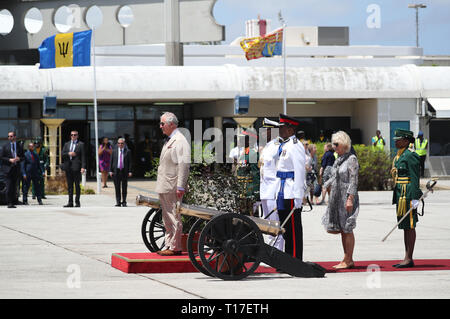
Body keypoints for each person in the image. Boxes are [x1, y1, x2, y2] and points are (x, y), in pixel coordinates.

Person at [322, 131, 359, 269]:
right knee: (343, 229)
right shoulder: (339, 159)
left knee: (347, 228)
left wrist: (350, 198)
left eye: (336, 144)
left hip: (346, 197)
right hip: (337, 197)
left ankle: (348, 259)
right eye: (333, 144)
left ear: (344, 144)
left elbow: (353, 181)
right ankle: (346, 258)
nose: (334, 147)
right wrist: (324, 186)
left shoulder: (351, 159)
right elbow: (335, 177)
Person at [155, 112, 190, 256]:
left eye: (163, 124)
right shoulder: (171, 139)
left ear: (172, 124)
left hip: (172, 185)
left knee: (174, 217)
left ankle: (175, 247)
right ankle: (169, 244)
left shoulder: (180, 140)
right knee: (166, 216)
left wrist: (181, 185)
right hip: (165, 184)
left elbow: (184, 164)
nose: (160, 126)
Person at [272, 114, 306, 260]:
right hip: (282, 191)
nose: (280, 130)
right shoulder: (285, 145)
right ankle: (288, 258)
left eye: (282, 127)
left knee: (293, 228)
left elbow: (299, 171)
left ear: (291, 130)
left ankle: (295, 259)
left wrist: (299, 196)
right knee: (285, 228)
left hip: (291, 191)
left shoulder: (295, 146)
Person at [391, 129, 422, 268]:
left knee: (410, 225)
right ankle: (406, 257)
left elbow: (415, 179)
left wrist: (415, 199)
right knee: (404, 226)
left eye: (398, 139)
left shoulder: (410, 156)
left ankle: (409, 258)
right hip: (400, 194)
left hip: (408, 194)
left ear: (406, 140)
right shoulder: (399, 155)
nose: (396, 141)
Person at [259, 118, 284, 251]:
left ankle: (277, 253)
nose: (263, 133)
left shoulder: (277, 147)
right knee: (268, 225)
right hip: (265, 191)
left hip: (274, 191)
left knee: (275, 225)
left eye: (266, 130)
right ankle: (270, 253)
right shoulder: (268, 147)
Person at [61, 131, 86, 208]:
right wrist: (69, 153)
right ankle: (70, 202)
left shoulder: (81, 144)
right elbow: (62, 153)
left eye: (75, 135)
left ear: (77, 136)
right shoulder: (67, 144)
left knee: (77, 185)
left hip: (77, 167)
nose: (73, 136)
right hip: (68, 167)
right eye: (72, 135)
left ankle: (77, 202)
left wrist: (83, 167)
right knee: (70, 186)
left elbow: (83, 157)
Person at [0, 131, 24, 208]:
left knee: (14, 186)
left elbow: (23, 157)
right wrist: (9, 160)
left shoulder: (19, 146)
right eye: (8, 136)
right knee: (9, 186)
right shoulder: (5, 146)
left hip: (16, 169)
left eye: (11, 136)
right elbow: (1, 157)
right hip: (7, 170)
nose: (9, 138)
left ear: (15, 137)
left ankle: (13, 201)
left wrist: (19, 158)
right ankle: (9, 203)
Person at [110, 138, 132, 207]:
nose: (120, 144)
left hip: (124, 171)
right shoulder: (114, 151)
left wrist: (130, 171)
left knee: (124, 187)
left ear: (124, 144)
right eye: (119, 143)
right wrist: (110, 170)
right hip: (116, 171)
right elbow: (111, 161)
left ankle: (124, 201)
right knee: (117, 187)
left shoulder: (128, 151)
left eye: (122, 143)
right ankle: (118, 202)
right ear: (117, 144)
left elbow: (130, 162)